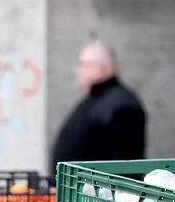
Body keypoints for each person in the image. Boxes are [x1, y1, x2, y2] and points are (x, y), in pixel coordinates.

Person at [50, 41, 146, 171]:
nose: (76, 70)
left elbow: (125, 165)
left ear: (98, 69)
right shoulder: (98, 99)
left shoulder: (121, 105)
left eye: (81, 64)